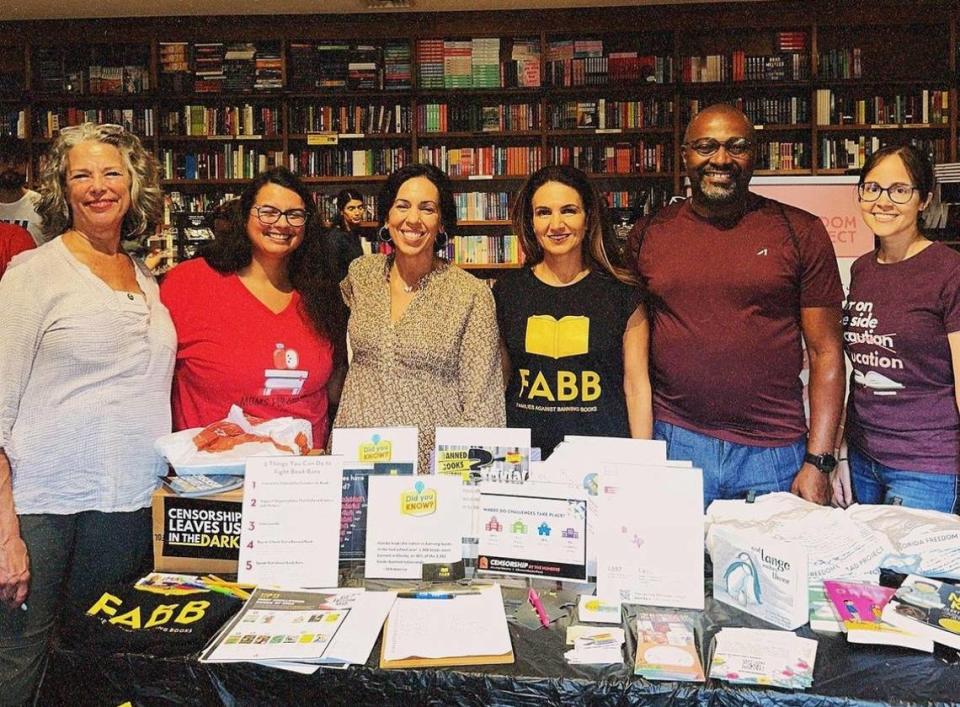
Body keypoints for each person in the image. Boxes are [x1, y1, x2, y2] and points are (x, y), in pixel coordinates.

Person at [0, 122, 174, 702]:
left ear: (133, 184)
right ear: (61, 188)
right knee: (18, 659)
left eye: (111, 173)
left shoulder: (146, 278)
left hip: (126, 505)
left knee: (100, 662)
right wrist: (5, 533)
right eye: (81, 175)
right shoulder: (33, 274)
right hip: (43, 505)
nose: (98, 187)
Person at [627, 103, 845, 508]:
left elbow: (826, 351)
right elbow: (630, 348)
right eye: (706, 146)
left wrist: (819, 460)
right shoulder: (648, 235)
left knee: (771, 573)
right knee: (673, 572)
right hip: (674, 442)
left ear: (755, 155)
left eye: (736, 146)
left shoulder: (801, 232)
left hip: (775, 453)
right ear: (686, 155)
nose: (721, 159)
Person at [334, 163, 505, 471]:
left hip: (429, 473)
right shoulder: (361, 274)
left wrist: (463, 487)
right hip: (355, 461)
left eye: (427, 209)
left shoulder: (471, 294)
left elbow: (483, 403)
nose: (413, 219)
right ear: (387, 216)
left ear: (441, 222)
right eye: (402, 206)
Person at [160, 167, 346, 450]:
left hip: (303, 478)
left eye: (295, 215)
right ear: (245, 215)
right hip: (217, 481)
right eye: (268, 211)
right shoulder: (189, 283)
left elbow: (335, 385)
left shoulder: (321, 294)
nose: (282, 224)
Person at [832, 145, 960, 513]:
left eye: (899, 190)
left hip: (926, 467)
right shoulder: (862, 269)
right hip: (862, 459)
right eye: (871, 188)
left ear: (924, 200)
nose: (882, 201)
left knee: (909, 573)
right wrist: (840, 452)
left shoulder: (948, 271)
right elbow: (859, 372)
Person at [494, 165, 651, 457]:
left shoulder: (623, 294)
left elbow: (636, 386)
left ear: (588, 218)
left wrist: (643, 464)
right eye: (543, 213)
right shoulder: (506, 293)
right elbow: (500, 381)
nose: (556, 224)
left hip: (602, 459)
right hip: (526, 458)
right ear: (531, 221)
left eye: (568, 210)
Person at [0, 136, 44, 245]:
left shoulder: (44, 205)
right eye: (4, 161)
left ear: (27, 165)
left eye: (18, 161)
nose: (11, 166)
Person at [328, 188, 368, 282]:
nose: (357, 213)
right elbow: (333, 273)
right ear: (342, 211)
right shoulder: (335, 237)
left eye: (360, 207)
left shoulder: (353, 233)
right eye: (351, 209)